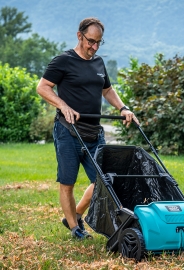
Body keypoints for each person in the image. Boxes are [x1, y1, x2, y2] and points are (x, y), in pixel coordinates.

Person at [36, 17, 139, 240]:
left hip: (94, 132)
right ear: (79, 35)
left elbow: (108, 90)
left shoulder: (99, 63)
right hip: (68, 131)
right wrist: (63, 106)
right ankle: (75, 229)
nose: (93, 47)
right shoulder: (63, 61)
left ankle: (74, 215)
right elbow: (42, 87)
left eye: (98, 43)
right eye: (90, 41)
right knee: (67, 182)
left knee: (104, 180)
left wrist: (123, 108)